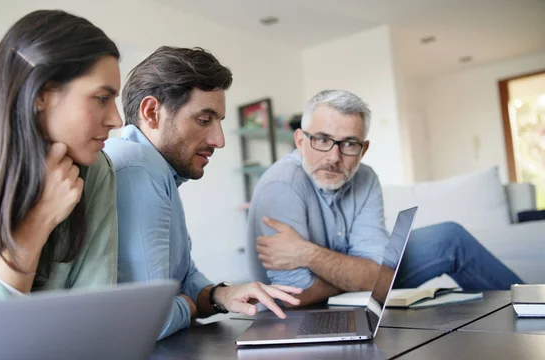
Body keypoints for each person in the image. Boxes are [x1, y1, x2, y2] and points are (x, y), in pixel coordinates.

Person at [247, 90, 523, 307]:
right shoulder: (282, 184)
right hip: (301, 314)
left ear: (363, 148)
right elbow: (294, 296)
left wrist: (308, 254)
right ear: (300, 141)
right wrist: (370, 278)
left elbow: (379, 274)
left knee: (450, 237)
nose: (334, 157)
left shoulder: (365, 177)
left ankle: (534, 308)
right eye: (322, 140)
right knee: (379, 277)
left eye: (349, 144)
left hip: (348, 289)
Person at [104, 46, 301, 340]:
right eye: (204, 119)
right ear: (151, 112)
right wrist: (188, 304)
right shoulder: (141, 168)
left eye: (219, 121)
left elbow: (182, 276)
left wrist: (222, 294)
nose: (218, 140)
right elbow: (150, 321)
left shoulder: (159, 171)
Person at [0, 10, 123, 305]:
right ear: (41, 94)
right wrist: (36, 223)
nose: (117, 120)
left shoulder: (96, 173)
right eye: (102, 98)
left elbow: (90, 320)